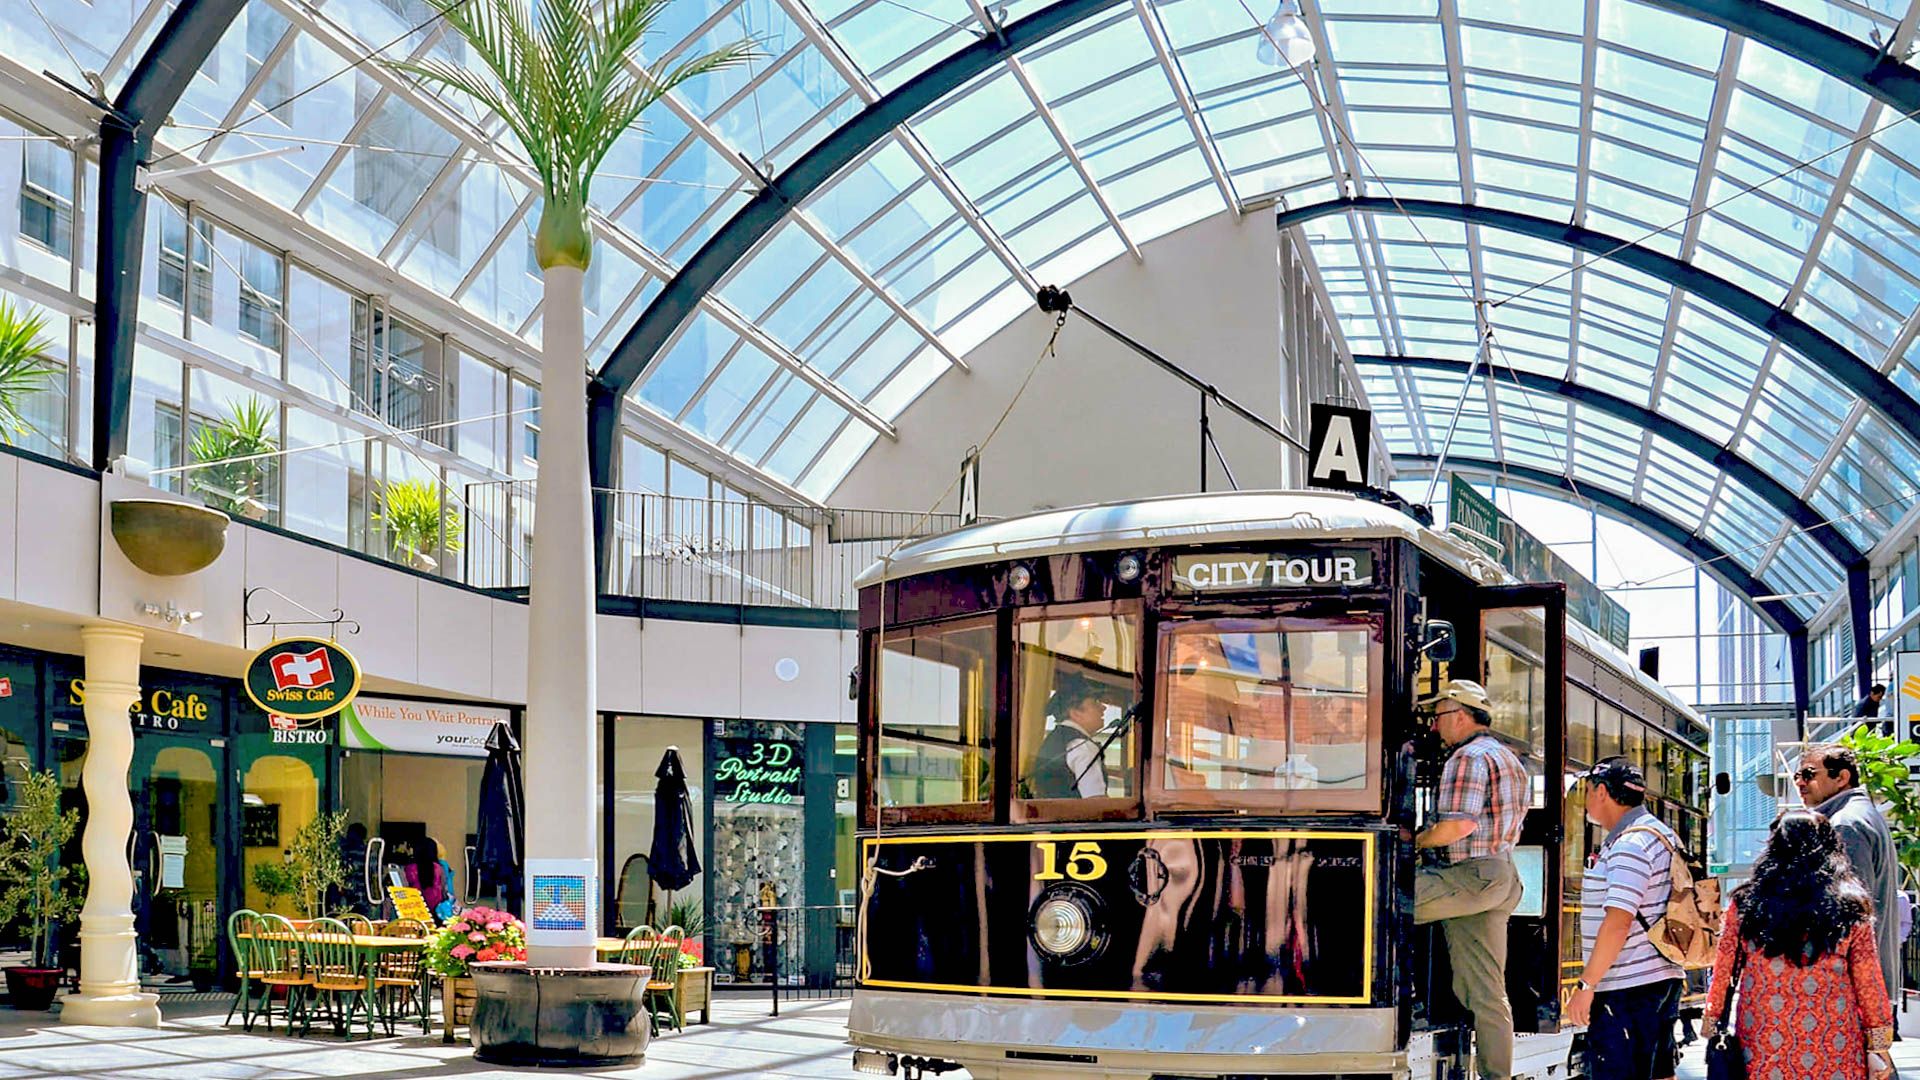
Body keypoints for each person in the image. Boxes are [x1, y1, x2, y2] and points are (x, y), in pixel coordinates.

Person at [1703, 810, 1893, 1080]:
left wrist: (1712, 1018)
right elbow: (1868, 980)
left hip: (1764, 1035)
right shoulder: (1850, 905)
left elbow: (1724, 967)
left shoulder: (1747, 903)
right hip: (1835, 1039)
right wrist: (1879, 1042)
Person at [1412, 679, 1529, 1080]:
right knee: (1488, 995)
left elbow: (1459, 825)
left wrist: (1414, 842)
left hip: (1469, 875)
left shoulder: (1466, 758)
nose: (1433, 727)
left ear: (1460, 715)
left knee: (1373, 901)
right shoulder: (1509, 758)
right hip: (1500, 877)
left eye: (1439, 716)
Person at [1566, 758, 1684, 1080]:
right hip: (1661, 977)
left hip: (1626, 988)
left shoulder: (1630, 844)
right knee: (1659, 1072)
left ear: (1602, 792)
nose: (1586, 799)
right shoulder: (1661, 834)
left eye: (1587, 791)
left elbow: (1618, 921)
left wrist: (1586, 985)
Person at [1796, 743, 1901, 1010]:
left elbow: (1849, 916)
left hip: (1851, 986)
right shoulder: (1857, 815)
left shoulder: (1844, 824)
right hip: (1861, 984)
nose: (1800, 782)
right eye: (1797, 776)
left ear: (1841, 778)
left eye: (1809, 774)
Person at [1029, 672, 1116, 799]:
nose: (1103, 707)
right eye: (1095, 702)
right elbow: (1096, 802)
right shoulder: (1082, 746)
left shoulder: (1054, 741)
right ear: (1075, 713)